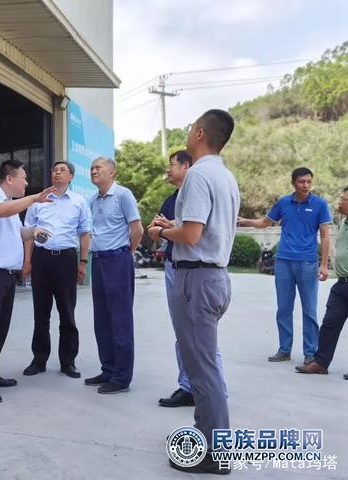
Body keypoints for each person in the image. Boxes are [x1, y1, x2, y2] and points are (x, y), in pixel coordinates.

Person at [149, 109, 239, 474]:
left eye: (190, 129)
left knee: (202, 369)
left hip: (197, 281)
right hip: (213, 277)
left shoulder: (198, 175)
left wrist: (161, 232)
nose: (188, 133)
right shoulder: (224, 175)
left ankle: (216, 453)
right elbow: (202, 229)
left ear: (200, 134)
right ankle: (206, 435)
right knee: (203, 364)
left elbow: (190, 235)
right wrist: (175, 225)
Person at [0, 159, 55, 403]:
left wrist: (34, 232)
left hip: (6, 275)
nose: (26, 183)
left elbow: (17, 232)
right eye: (23, 178)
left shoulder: (10, 204)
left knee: (0, 328)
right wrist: (34, 199)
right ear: (9, 178)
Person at [150, 151, 228, 408]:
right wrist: (165, 228)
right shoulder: (172, 199)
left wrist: (165, 229)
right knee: (184, 334)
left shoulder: (202, 187)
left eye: (172, 164)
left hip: (199, 271)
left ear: (186, 167)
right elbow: (173, 230)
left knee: (202, 339)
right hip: (177, 266)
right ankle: (190, 386)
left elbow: (192, 233)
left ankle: (212, 393)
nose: (168, 169)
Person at [238, 167, 332, 364]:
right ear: (293, 183)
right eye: (301, 182)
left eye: (309, 181)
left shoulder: (320, 204)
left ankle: (310, 353)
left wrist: (324, 264)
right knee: (283, 308)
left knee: (309, 310)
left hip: (307, 262)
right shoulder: (283, 202)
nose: (306, 185)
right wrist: (244, 220)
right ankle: (284, 349)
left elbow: (325, 235)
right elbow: (265, 223)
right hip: (283, 262)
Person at [21, 161, 92, 379]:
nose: (57, 173)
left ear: (71, 176)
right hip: (42, 259)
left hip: (66, 259)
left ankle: (68, 362)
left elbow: (85, 233)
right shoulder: (39, 200)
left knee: (67, 312)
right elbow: (28, 232)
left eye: (62, 170)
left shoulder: (79, 202)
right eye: (54, 170)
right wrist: (27, 261)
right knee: (40, 312)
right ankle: (39, 359)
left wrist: (83, 262)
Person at [84, 157, 143, 394]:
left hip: (118, 260)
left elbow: (137, 230)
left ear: (112, 172)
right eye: (92, 168)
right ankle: (108, 369)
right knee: (102, 319)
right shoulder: (92, 200)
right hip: (98, 261)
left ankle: (121, 377)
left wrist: (126, 253)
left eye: (98, 167)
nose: (93, 171)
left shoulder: (123, 195)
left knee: (120, 319)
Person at [295, 187, 348, 378]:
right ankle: (320, 363)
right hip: (341, 284)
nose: (340, 202)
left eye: (343, 199)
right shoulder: (343, 222)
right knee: (330, 324)